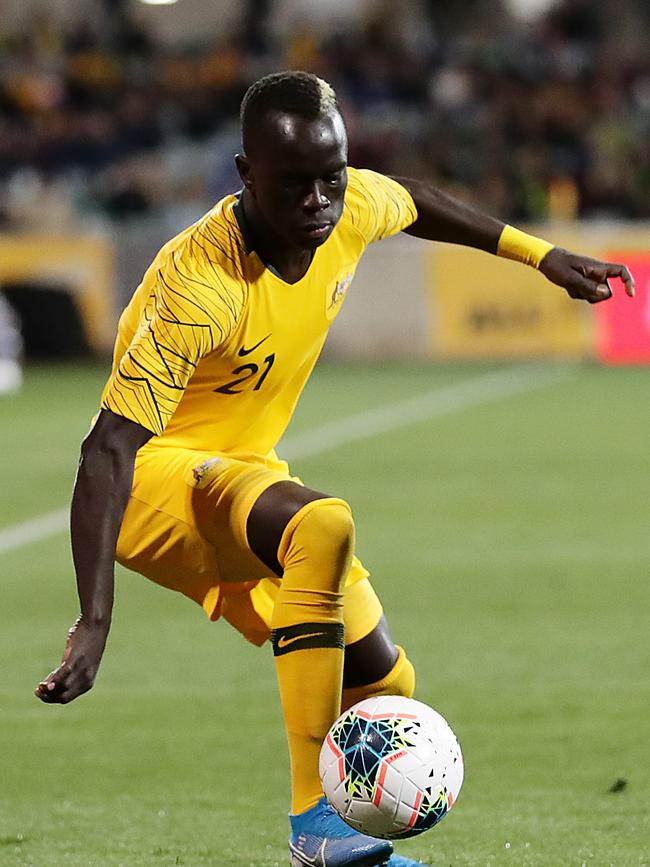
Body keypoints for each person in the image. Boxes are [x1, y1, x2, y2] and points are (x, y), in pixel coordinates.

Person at [36, 71, 635, 867]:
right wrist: (95, 620)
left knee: (386, 693)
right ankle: (313, 823)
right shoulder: (198, 285)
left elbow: (414, 199)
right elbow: (107, 448)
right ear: (246, 175)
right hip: (152, 481)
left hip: (242, 470)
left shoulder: (345, 208)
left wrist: (540, 254)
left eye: (333, 178)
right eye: (295, 184)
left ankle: (359, 854)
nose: (320, 201)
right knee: (321, 522)